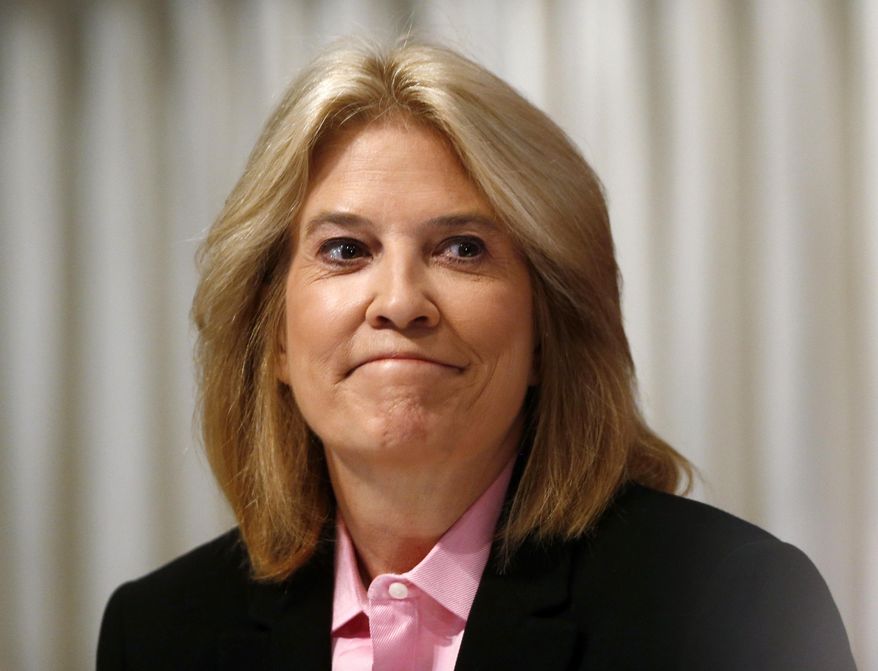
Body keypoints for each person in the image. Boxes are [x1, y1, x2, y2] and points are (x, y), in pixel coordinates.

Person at [96, 39, 856, 670]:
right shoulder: (159, 632)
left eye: (462, 248)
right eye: (345, 248)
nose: (399, 300)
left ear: (547, 329)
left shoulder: (736, 610)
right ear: (275, 343)